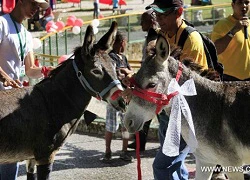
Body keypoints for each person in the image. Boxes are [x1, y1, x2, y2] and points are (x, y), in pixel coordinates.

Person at [145, 0, 209, 179]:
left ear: (179, 12)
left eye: (163, 14)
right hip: (167, 111)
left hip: (186, 113)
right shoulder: (161, 34)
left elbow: (190, 83)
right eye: (156, 13)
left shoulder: (191, 39)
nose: (158, 18)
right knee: (175, 165)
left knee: (163, 166)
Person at [0, 0, 51, 179]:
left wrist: (47, 70)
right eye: (34, 4)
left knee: (10, 154)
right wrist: (4, 76)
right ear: (20, 1)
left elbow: (30, 70)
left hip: (12, 101)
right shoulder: (2, 23)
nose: (36, 9)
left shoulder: (27, 34)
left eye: (39, 7)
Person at [128, 9, 158, 152]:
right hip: (148, 79)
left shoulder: (154, 37)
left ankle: (141, 144)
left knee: (144, 111)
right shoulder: (151, 35)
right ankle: (140, 143)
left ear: (151, 21)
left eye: (143, 21)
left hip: (150, 81)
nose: (140, 24)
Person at [102, 31, 134, 162]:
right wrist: (125, 72)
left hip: (126, 98)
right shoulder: (110, 57)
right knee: (110, 126)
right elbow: (117, 74)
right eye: (125, 43)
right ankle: (107, 151)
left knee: (125, 126)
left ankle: (124, 151)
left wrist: (127, 72)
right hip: (114, 98)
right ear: (122, 42)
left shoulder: (123, 57)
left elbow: (130, 72)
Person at [211, 0, 250, 81]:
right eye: (240, 2)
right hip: (229, 78)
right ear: (233, 5)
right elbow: (215, 50)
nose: (244, 5)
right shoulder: (222, 25)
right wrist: (233, 30)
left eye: (247, 2)